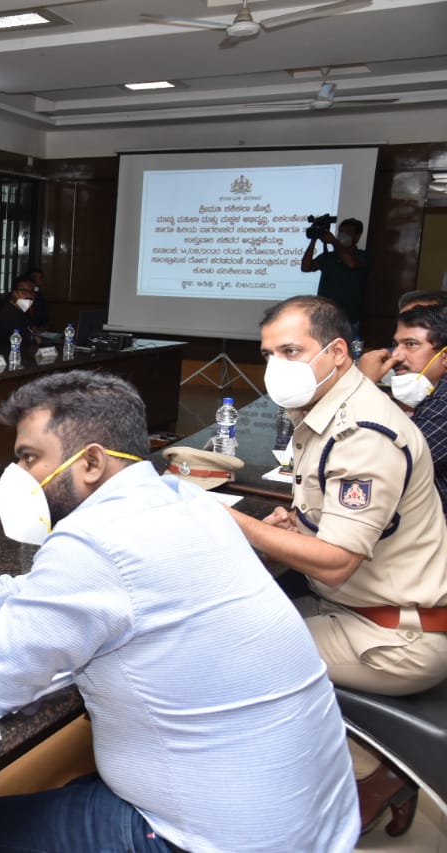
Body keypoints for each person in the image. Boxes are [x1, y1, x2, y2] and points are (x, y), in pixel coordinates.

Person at [0, 370, 358, 852]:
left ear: (90, 461)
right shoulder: (186, 500)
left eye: (29, 458)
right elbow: (76, 588)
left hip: (214, 839)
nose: (17, 478)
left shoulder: (91, 543)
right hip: (312, 820)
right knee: (71, 796)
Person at [231, 294, 447, 836]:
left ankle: (322, 794)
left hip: (396, 635)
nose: (276, 366)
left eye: (290, 351)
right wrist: (296, 525)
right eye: (267, 354)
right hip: (372, 610)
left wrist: (235, 523)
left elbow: (335, 564)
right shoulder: (332, 411)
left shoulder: (363, 433)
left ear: (336, 353)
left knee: (231, 657)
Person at [356, 304, 447, 509]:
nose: (397, 356)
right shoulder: (431, 393)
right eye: (396, 344)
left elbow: (384, 465)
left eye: (411, 344)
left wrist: (362, 383)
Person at [302, 217, 370, 336]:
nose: (342, 235)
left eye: (348, 232)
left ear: (358, 236)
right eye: (341, 232)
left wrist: (334, 242)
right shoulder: (329, 257)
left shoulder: (362, 256)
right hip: (324, 317)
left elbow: (351, 264)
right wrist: (314, 240)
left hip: (348, 318)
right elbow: (306, 267)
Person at [0, 274, 47, 351]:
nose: (29, 295)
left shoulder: (21, 311)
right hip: (10, 356)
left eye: (32, 292)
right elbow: (23, 344)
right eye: (24, 291)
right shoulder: (9, 314)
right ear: (14, 294)